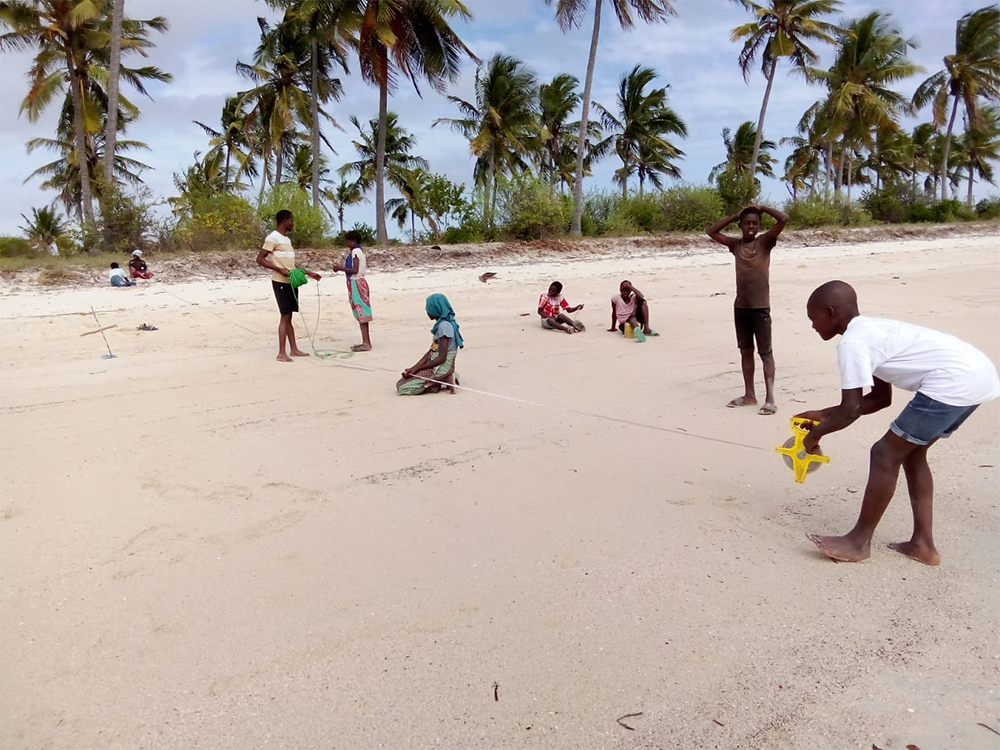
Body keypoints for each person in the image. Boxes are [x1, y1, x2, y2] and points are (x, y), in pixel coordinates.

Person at [796, 280, 1000, 566]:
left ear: (830, 313)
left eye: (813, 318)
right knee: (912, 454)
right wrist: (824, 413)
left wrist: (814, 437)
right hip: (979, 378)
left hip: (953, 383)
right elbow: (880, 398)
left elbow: (851, 410)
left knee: (884, 453)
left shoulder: (853, 343)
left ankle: (857, 542)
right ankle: (923, 545)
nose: (813, 326)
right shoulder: (871, 330)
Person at [706, 203, 789, 415]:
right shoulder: (735, 245)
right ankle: (749, 395)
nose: (751, 226)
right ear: (741, 225)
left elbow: (783, 219)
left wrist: (761, 207)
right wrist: (736, 214)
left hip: (760, 307)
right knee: (746, 352)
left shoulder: (765, 242)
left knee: (766, 353)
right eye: (746, 223)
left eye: (755, 223)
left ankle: (770, 399)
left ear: (760, 225)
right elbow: (711, 231)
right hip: (741, 307)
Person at [255, 209, 321, 363]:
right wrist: (278, 269)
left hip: (290, 281)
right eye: (292, 220)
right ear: (284, 220)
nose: (293, 223)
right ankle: (281, 353)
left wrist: (309, 273)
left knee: (289, 316)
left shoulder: (286, 240)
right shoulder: (273, 238)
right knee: (285, 316)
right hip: (280, 282)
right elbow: (260, 259)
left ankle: (294, 349)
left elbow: (291, 264)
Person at [397, 294, 464, 396]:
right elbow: (431, 351)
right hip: (435, 362)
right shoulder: (440, 325)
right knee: (401, 382)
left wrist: (419, 368)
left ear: (435, 309)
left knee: (404, 388)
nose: (427, 311)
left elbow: (442, 358)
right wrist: (414, 368)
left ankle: (440, 379)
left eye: (428, 309)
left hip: (441, 365)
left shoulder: (444, 327)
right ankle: (445, 378)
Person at [332, 230, 373, 352]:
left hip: (356, 282)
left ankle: (366, 343)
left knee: (361, 312)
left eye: (348, 241)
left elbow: (354, 270)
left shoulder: (355, 251)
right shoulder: (359, 251)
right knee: (362, 312)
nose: (347, 243)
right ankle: (366, 342)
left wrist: (340, 268)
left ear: (353, 241)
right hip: (358, 282)